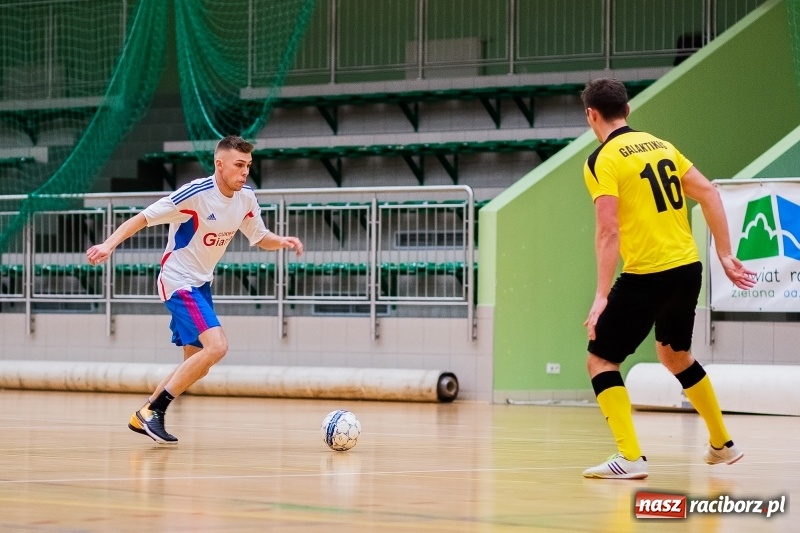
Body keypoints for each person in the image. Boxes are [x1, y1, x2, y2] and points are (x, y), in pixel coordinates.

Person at [580, 78, 756, 479]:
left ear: (592, 114)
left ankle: (629, 458)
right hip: (686, 268)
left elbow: (608, 230)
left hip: (647, 273)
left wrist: (601, 295)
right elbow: (709, 192)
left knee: (601, 359)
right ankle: (722, 444)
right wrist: (724, 253)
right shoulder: (661, 145)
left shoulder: (602, 160)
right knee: (674, 354)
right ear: (627, 110)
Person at [86, 135, 303, 444]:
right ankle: (155, 412)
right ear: (220, 164)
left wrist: (280, 241)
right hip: (178, 281)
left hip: (201, 284)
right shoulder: (195, 194)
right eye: (239, 165)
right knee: (218, 347)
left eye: (248, 166)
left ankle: (144, 413)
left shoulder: (246, 198)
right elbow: (142, 218)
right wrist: (108, 244)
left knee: (196, 365)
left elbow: (259, 236)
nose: (245, 172)